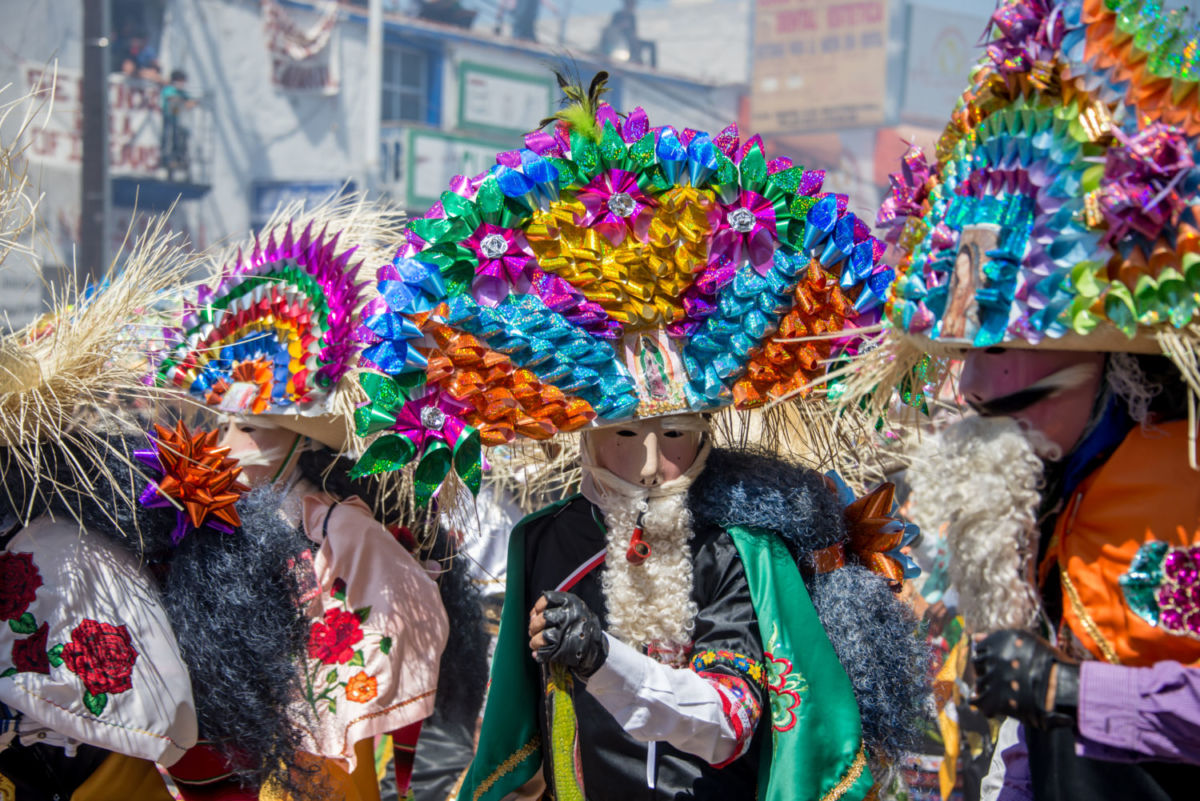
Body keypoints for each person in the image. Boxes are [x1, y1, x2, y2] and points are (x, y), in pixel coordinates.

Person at [345, 73, 931, 800]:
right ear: (586, 435)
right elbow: (518, 735)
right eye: (625, 432)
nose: (654, 463)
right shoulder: (542, 541)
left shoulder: (738, 547)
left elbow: (733, 719)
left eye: (678, 432)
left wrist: (602, 659)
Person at [855, 1, 1200, 798]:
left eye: (1001, 349)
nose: (972, 387)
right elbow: (1037, 745)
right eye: (967, 354)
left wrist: (1074, 693)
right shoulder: (1063, 489)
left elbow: (1068, 701)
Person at [155, 199, 488, 801]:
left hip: (318, 773)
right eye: (224, 425)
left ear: (304, 443)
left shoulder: (343, 533)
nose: (226, 446)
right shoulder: (209, 522)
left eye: (252, 430)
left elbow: (387, 646)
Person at [160, 70, 195, 182]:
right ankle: (167, 162)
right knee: (168, 140)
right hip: (169, 120)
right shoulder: (169, 90)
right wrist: (184, 101)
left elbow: (190, 101)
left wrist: (190, 102)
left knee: (179, 142)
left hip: (178, 121)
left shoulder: (181, 93)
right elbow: (171, 98)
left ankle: (178, 163)